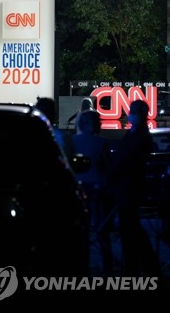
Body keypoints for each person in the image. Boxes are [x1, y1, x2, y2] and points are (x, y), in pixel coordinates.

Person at [106, 100, 161, 277]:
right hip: (126, 185)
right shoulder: (137, 133)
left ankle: (140, 266)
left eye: (134, 111)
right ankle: (138, 265)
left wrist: (112, 175)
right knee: (130, 228)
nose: (131, 114)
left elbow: (126, 160)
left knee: (131, 228)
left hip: (129, 186)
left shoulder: (140, 136)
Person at [72, 109, 113, 274]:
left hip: (79, 189)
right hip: (98, 189)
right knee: (102, 230)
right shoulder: (101, 143)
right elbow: (108, 166)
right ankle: (107, 265)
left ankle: (80, 265)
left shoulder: (72, 141)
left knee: (81, 230)